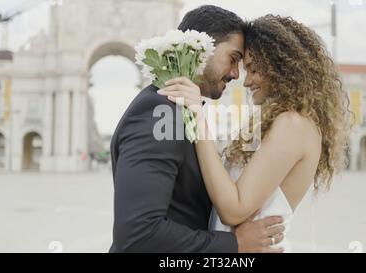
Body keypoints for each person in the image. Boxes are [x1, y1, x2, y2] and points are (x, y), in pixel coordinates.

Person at [159, 15, 351, 252]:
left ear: (281, 66)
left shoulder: (293, 125)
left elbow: (234, 209)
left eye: (253, 69)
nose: (246, 81)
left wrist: (198, 118)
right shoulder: (268, 122)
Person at [109, 5, 284, 253]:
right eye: (233, 59)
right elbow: (139, 233)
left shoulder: (180, 110)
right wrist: (235, 244)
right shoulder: (159, 111)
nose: (236, 74)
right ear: (202, 49)